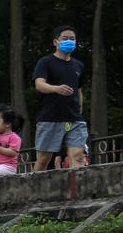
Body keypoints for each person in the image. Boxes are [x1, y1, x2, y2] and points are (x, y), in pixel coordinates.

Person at [34, 25, 88, 171]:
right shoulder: (45, 62)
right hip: (50, 117)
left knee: (77, 156)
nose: (69, 41)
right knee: (45, 158)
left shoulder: (79, 65)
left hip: (74, 119)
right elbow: (39, 84)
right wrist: (56, 88)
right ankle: (35, 191)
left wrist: (79, 112)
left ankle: (77, 192)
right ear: (55, 42)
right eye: (65, 38)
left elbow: (79, 91)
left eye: (72, 39)